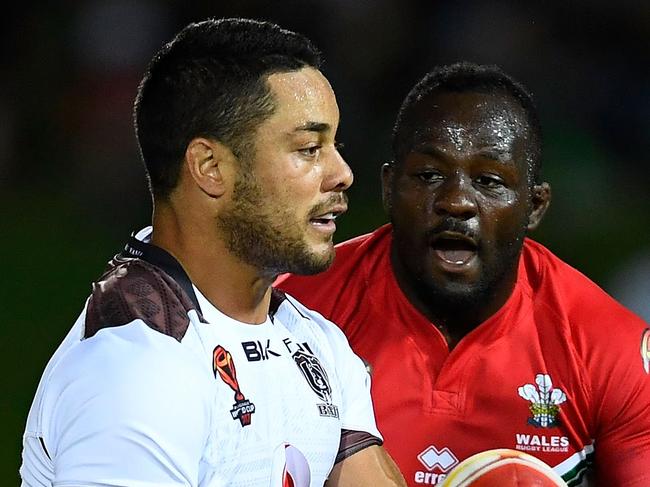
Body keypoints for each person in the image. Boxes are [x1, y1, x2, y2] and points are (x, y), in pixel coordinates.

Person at [20, 18, 406, 487]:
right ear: (210, 167)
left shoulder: (317, 342)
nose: (342, 173)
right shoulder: (136, 367)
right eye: (308, 148)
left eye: (334, 145)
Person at [276, 62, 650, 486]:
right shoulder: (293, 316)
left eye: (489, 181)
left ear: (535, 206)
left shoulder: (607, 350)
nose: (456, 202)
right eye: (430, 175)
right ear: (388, 189)